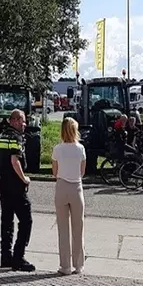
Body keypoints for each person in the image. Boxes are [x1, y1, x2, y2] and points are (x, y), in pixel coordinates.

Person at [0, 109, 35, 272]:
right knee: (26, 221)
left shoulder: (1, 136)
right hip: (16, 185)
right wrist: (24, 178)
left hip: (3, 183)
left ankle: (6, 256)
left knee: (7, 221)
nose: (24, 124)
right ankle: (18, 257)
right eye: (22, 121)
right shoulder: (16, 137)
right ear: (15, 121)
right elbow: (14, 161)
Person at [52, 117, 87, 275]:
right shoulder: (80, 148)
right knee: (78, 227)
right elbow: (82, 171)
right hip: (76, 187)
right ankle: (78, 265)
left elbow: (54, 172)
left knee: (63, 228)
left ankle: (64, 265)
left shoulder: (57, 149)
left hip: (61, 186)